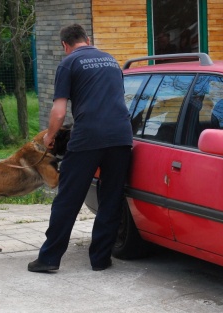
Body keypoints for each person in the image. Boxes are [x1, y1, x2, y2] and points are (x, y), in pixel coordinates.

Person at [28, 24, 133, 273]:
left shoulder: (69, 63)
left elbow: (59, 110)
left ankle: (49, 259)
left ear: (65, 45)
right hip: (121, 136)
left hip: (88, 138)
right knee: (111, 199)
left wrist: (50, 136)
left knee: (68, 198)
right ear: (87, 39)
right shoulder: (110, 60)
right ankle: (100, 259)